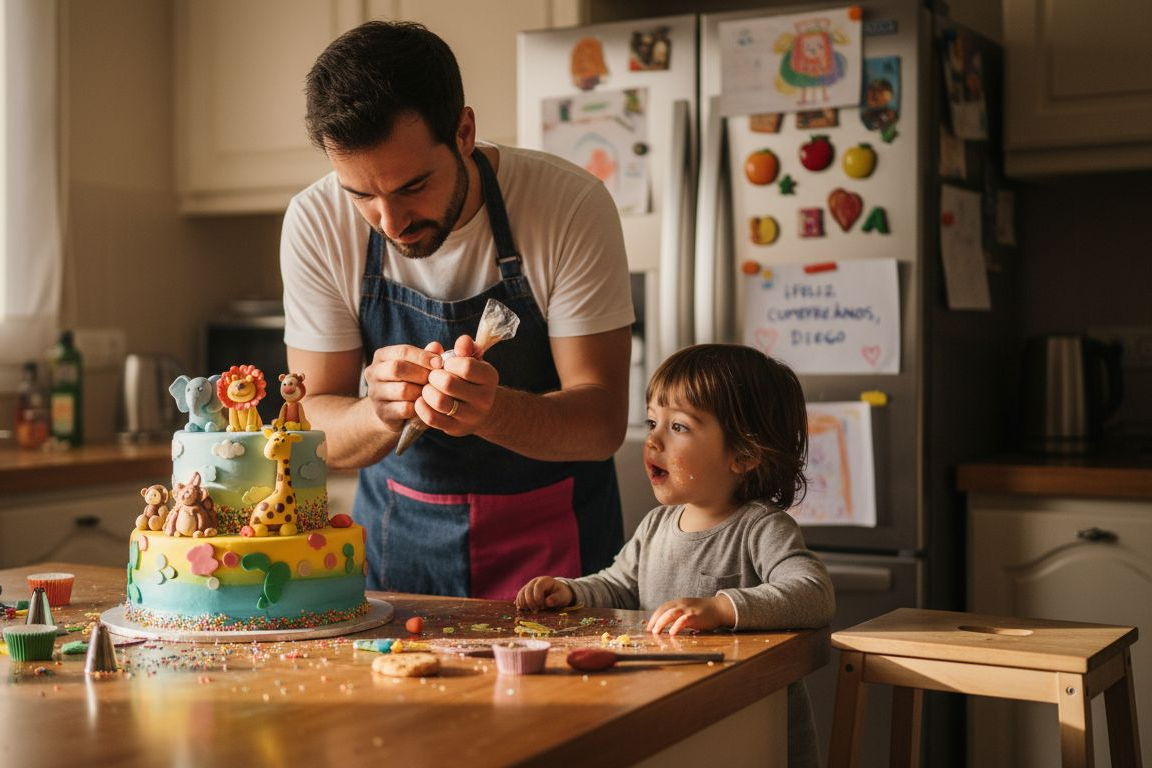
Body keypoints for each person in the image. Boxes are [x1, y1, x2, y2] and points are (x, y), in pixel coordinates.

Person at [280, 21, 633, 601]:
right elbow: (308, 426)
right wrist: (378, 412)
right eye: (362, 195)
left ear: (464, 132)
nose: (391, 222)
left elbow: (600, 423)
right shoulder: (315, 222)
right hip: (401, 545)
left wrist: (492, 412)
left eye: (413, 185)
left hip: (558, 552)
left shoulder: (567, 205)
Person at [515, 344, 835, 768]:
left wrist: (722, 609)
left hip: (749, 721)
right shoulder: (657, 525)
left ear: (743, 455)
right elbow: (620, 586)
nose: (653, 439)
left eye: (679, 427)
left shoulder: (760, 527)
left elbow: (814, 593)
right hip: (671, 706)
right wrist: (571, 592)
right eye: (653, 422)